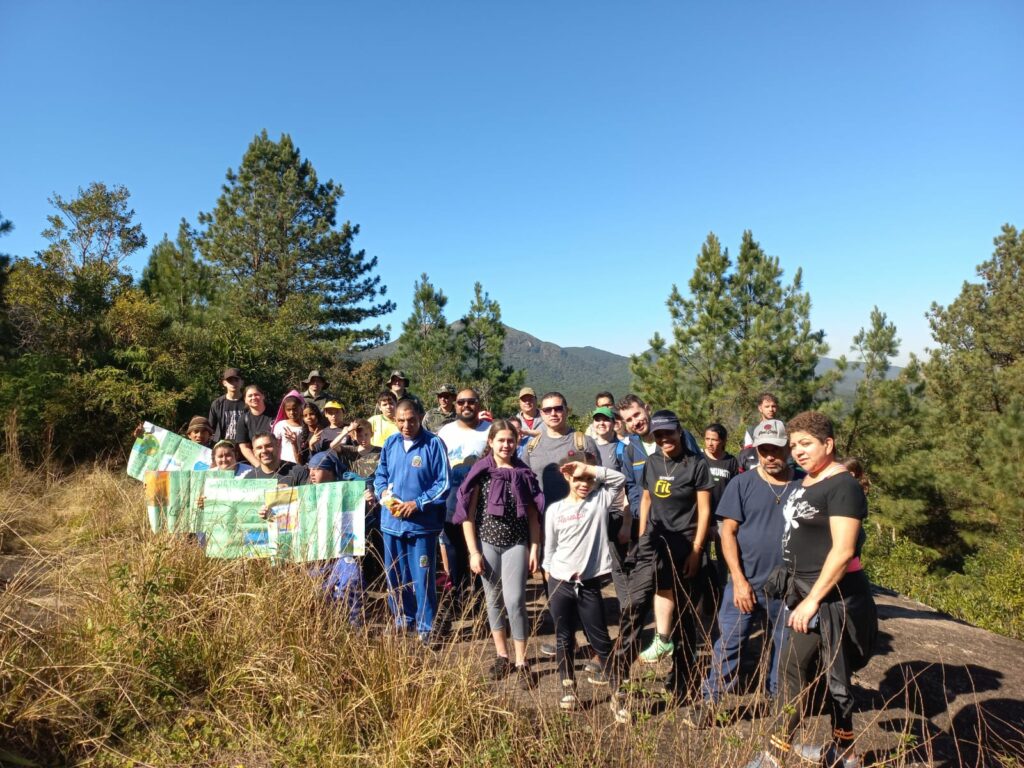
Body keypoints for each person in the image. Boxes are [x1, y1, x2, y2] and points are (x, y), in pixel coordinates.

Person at [744, 412, 877, 768]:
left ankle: (772, 755)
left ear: (828, 444)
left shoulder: (842, 485)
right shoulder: (810, 480)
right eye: (794, 445)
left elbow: (844, 549)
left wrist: (812, 601)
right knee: (832, 675)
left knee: (792, 668)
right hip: (805, 591)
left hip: (831, 597)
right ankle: (844, 752)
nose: (797, 451)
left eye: (806, 444)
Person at [686, 419, 797, 729]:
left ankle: (778, 700)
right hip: (745, 583)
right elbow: (728, 533)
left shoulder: (803, 485)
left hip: (790, 587)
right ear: (756, 450)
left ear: (788, 448)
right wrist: (737, 580)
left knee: (783, 646)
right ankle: (710, 700)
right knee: (730, 642)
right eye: (764, 450)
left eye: (776, 448)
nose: (771, 455)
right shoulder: (742, 483)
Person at [454, 419, 543, 686]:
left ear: (516, 442)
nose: (506, 444)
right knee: (493, 600)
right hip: (487, 544)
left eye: (511, 440)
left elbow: (533, 515)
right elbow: (468, 517)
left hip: (516, 543)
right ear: (490, 442)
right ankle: (502, 655)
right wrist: (473, 552)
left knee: (515, 601)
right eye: (501, 440)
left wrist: (534, 547)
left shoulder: (523, 473)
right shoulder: (480, 473)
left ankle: (521, 660)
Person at [637, 410, 715, 703]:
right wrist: (643, 537)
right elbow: (646, 499)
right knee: (658, 591)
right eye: (658, 435)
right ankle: (662, 644)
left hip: (686, 544)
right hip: (656, 543)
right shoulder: (652, 462)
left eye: (668, 433)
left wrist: (697, 550)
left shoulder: (697, 465)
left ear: (680, 431)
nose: (664, 439)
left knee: (685, 614)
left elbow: (705, 510)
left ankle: (683, 679)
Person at [542, 454, 626, 710]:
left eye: (589, 479)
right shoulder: (555, 510)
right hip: (560, 580)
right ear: (567, 476)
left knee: (600, 637)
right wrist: (550, 577)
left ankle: (618, 693)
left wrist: (588, 467)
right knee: (563, 637)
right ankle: (568, 686)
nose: (584, 483)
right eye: (579, 478)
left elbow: (619, 479)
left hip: (588, 585)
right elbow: (550, 549)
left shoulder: (598, 501)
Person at [373, 398, 451, 644]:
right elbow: (380, 475)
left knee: (423, 578)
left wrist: (417, 503)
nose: (406, 425)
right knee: (395, 576)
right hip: (391, 524)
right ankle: (402, 619)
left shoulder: (434, 443)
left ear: (420, 417)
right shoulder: (390, 442)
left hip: (422, 526)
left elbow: (444, 484)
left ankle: (426, 628)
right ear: (394, 420)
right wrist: (382, 492)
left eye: (411, 420)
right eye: (401, 421)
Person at [437, 389, 492, 601]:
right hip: (451, 501)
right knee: (454, 550)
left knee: (481, 549)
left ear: (478, 404)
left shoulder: (491, 431)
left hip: (484, 503)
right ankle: (458, 596)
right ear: (455, 404)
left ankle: (481, 598)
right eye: (461, 402)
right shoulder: (445, 432)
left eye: (471, 401)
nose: (466, 405)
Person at [704, 423, 741, 587]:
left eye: (714, 440)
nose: (710, 443)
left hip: (722, 519)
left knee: (721, 560)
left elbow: (735, 491)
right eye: (707, 439)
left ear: (723, 441)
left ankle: (719, 594)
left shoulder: (731, 461)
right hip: (700, 518)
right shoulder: (699, 459)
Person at [739, 393, 780, 472]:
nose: (771, 409)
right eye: (767, 406)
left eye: (773, 406)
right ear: (760, 408)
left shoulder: (784, 430)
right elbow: (747, 455)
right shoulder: (751, 431)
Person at [236, 385, 274, 467]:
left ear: (263, 396)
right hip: (258, 464)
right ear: (245, 400)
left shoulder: (275, 414)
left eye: (256, 394)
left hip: (278, 460)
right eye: (250, 396)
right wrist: (259, 466)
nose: (253, 397)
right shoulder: (243, 420)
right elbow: (244, 447)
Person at [208, 367, 248, 443]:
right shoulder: (217, 404)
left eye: (236, 380)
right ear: (224, 383)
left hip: (244, 446)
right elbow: (210, 428)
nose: (233, 383)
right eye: (230, 381)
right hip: (223, 447)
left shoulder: (248, 402)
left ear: (242, 382)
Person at [273, 393, 307, 465]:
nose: (292, 412)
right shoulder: (281, 425)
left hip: (303, 463)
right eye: (288, 410)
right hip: (284, 463)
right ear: (284, 410)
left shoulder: (306, 426)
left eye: (295, 409)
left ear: (301, 407)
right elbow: (276, 445)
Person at [591, 405, 624, 470]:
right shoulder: (588, 446)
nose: (601, 423)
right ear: (593, 423)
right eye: (597, 420)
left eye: (606, 419)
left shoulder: (622, 449)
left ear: (614, 424)